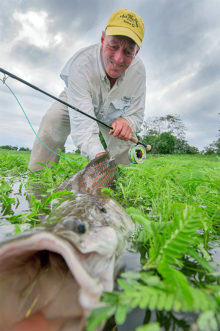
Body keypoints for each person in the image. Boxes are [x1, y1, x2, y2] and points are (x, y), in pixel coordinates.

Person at [28, 8, 146, 171]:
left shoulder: (139, 72)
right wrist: (100, 160)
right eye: (113, 46)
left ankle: (120, 187)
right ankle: (37, 184)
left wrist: (128, 122)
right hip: (76, 100)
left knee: (125, 145)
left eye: (128, 52)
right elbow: (84, 127)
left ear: (136, 52)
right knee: (53, 120)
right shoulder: (80, 65)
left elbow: (137, 114)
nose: (118, 59)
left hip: (113, 115)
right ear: (103, 39)